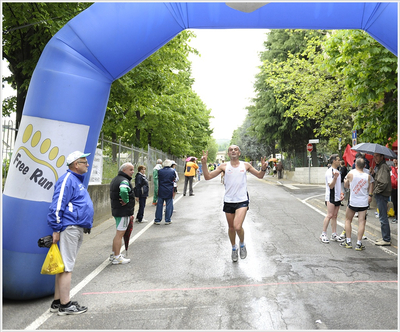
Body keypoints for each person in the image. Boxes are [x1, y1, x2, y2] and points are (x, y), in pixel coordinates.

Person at [201, 145, 268, 262]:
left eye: (235, 149)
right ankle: (233, 248)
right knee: (231, 228)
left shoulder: (246, 165)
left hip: (242, 200)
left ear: (239, 153)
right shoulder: (223, 166)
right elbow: (207, 177)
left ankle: (242, 244)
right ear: (228, 154)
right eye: (231, 150)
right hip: (228, 200)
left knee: (237, 226)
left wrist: (263, 168)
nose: (233, 151)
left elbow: (260, 175)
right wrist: (204, 164)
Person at [47, 150, 93, 315]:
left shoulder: (74, 179)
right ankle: (65, 306)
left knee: (64, 266)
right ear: (76, 164)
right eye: (84, 162)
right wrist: (56, 228)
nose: (87, 164)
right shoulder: (68, 179)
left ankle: (58, 302)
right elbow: (57, 204)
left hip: (74, 226)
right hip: (70, 227)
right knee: (67, 267)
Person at [340, 158, 373, 250]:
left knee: (348, 220)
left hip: (353, 201)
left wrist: (347, 182)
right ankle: (359, 243)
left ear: (356, 165)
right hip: (363, 202)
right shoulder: (368, 176)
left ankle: (348, 241)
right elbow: (369, 188)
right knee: (362, 222)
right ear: (365, 166)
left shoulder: (351, 174)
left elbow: (346, 186)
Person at [109, 162, 135, 264]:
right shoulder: (124, 180)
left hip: (117, 210)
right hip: (123, 211)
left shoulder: (116, 179)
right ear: (123, 170)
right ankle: (117, 257)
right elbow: (123, 191)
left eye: (133, 169)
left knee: (118, 234)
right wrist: (126, 200)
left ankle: (114, 254)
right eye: (130, 169)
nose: (132, 172)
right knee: (120, 234)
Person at [320, 154, 345, 244]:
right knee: (329, 215)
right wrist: (335, 177)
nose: (339, 161)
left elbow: (338, 185)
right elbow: (331, 186)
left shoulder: (337, 171)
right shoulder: (330, 172)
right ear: (334, 161)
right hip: (330, 197)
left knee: (335, 216)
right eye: (338, 160)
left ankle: (334, 234)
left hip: (337, 197)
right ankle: (323, 234)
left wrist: (341, 193)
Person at [370, 153, 392, 246]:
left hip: (382, 194)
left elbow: (383, 182)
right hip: (382, 194)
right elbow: (379, 179)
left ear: (382, 156)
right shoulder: (380, 166)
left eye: (377, 156)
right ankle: (384, 237)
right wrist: (374, 174)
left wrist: (376, 191)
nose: (375, 158)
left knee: (383, 217)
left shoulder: (383, 167)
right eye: (374, 156)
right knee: (382, 216)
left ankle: (386, 239)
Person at [154, 159, 176, 225]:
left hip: (161, 189)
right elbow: (174, 178)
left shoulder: (160, 171)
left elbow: (158, 179)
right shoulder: (172, 171)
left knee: (159, 205)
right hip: (169, 189)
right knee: (169, 205)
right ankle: (167, 219)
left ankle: (157, 220)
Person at [390, 158, 398, 223]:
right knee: (394, 202)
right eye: (394, 159)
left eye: (396, 159)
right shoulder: (391, 168)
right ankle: (396, 216)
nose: (395, 161)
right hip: (393, 187)